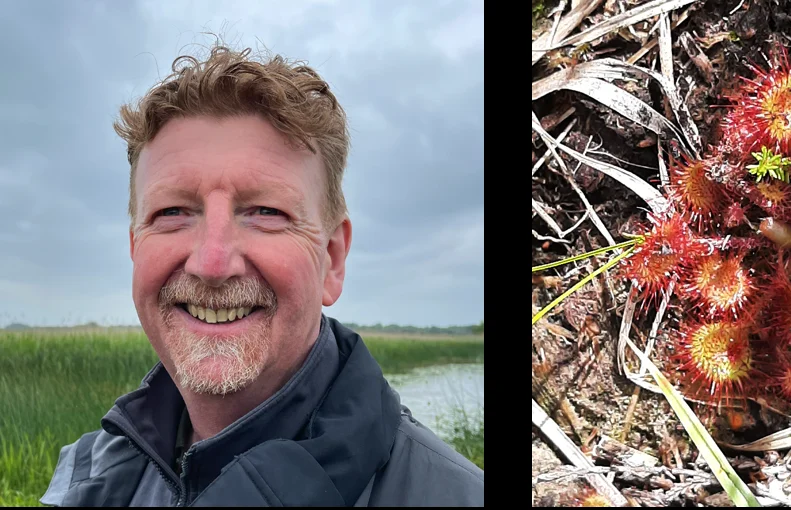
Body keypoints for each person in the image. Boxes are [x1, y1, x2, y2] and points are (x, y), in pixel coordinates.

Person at [39, 44, 484, 507]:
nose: (211, 263)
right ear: (135, 248)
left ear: (331, 259)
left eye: (266, 212)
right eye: (172, 212)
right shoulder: (87, 474)